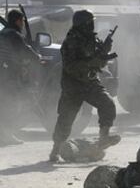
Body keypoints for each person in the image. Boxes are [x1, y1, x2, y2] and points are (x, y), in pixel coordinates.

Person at [49, 10, 120, 162]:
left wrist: (105, 51)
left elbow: (100, 61)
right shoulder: (71, 42)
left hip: (90, 82)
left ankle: (103, 137)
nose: (92, 25)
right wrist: (91, 62)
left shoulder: (92, 40)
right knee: (66, 118)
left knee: (107, 104)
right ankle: (55, 149)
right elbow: (70, 66)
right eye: (90, 22)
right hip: (73, 85)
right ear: (83, 24)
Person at [0, 9, 40, 146]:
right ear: (17, 21)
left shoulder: (3, 33)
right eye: (22, 21)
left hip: (3, 74)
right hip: (10, 76)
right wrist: (37, 58)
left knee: (4, 104)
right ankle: (6, 136)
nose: (23, 24)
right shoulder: (14, 35)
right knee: (12, 105)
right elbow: (25, 51)